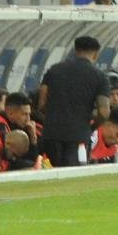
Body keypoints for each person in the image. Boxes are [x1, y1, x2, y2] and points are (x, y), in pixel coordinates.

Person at [38, 36, 110, 167]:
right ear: (96, 54)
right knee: (74, 175)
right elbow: (104, 112)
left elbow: (42, 104)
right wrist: (91, 127)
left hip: (51, 134)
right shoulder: (100, 77)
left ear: (75, 51)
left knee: (52, 174)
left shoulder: (54, 70)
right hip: (78, 136)